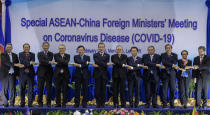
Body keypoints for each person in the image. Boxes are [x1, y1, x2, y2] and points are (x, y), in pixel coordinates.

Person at [93, 42, 112, 108]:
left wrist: (103, 64)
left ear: (104, 48)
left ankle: (103, 103)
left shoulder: (107, 55)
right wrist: (106, 64)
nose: (101, 48)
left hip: (104, 74)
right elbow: (97, 62)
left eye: (102, 47)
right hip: (97, 74)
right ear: (98, 48)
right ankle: (98, 103)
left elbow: (100, 63)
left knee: (103, 90)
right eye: (100, 47)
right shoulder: (95, 54)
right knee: (97, 90)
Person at [19, 43, 38, 107]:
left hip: (30, 74)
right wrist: (29, 63)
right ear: (23, 48)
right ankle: (22, 103)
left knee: (30, 90)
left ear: (29, 48)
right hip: (23, 74)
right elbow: (22, 61)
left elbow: (32, 62)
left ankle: (30, 103)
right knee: (22, 89)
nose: (26, 48)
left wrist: (28, 63)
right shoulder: (20, 54)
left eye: (27, 47)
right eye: (25, 47)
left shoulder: (33, 54)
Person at [37, 42, 54, 107]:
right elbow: (41, 61)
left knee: (49, 88)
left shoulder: (51, 54)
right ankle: (40, 102)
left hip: (49, 73)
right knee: (40, 88)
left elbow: (48, 60)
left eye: (47, 46)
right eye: (45, 46)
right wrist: (48, 62)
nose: (46, 47)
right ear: (42, 46)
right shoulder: (39, 53)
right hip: (41, 73)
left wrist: (47, 61)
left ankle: (48, 102)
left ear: (49, 46)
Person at [161, 44, 178, 108]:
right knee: (164, 90)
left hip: (172, 74)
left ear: (171, 48)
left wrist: (169, 65)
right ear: (165, 49)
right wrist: (172, 65)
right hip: (165, 74)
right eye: (167, 48)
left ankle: (172, 103)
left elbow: (175, 62)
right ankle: (164, 104)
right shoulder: (163, 55)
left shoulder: (175, 55)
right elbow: (164, 62)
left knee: (172, 89)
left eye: (169, 48)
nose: (168, 49)